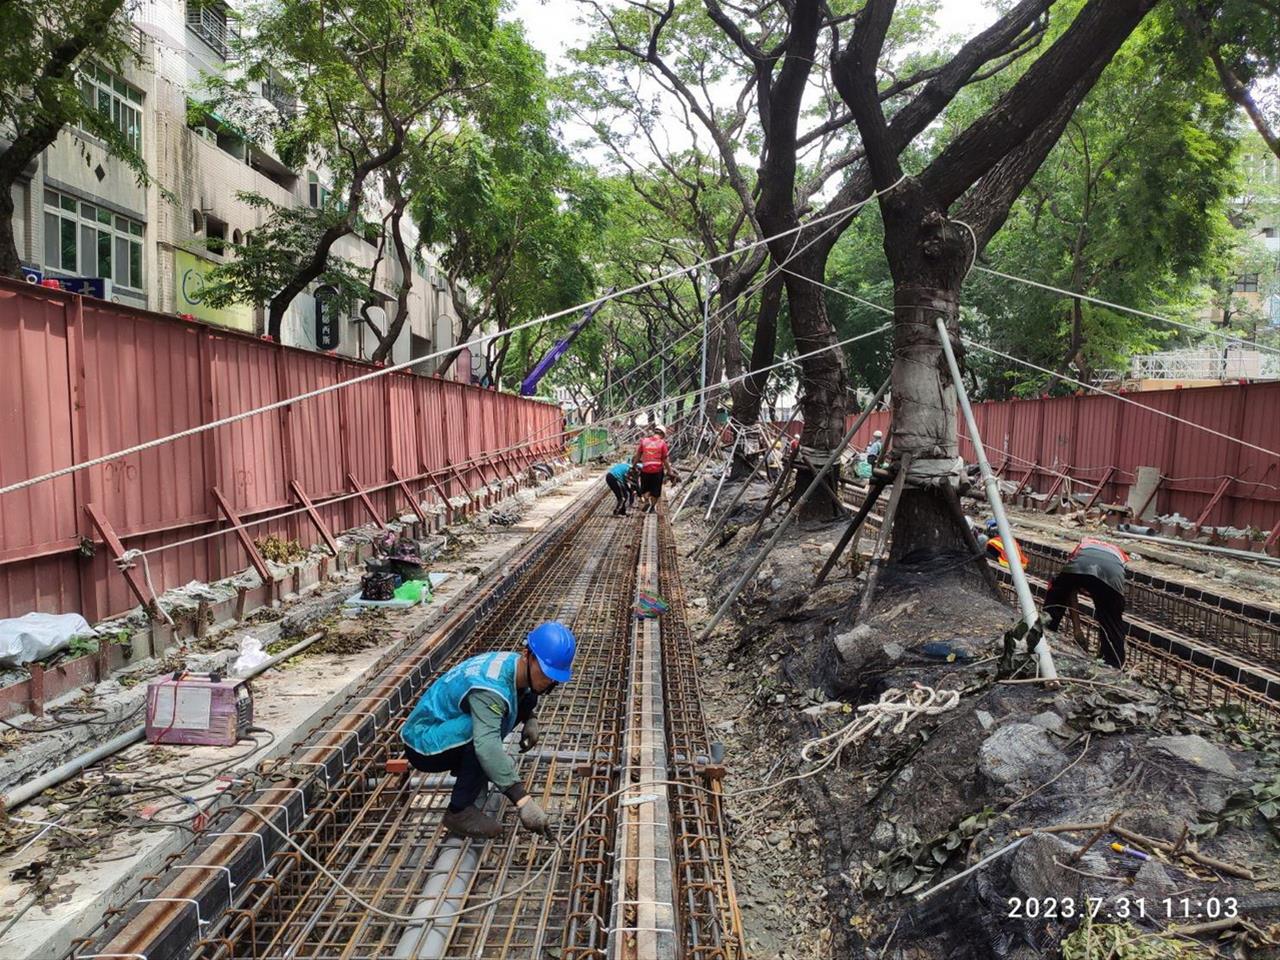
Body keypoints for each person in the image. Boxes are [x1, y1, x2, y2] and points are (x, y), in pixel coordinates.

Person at [400, 622, 577, 839]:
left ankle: (474, 772)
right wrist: (523, 801)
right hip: (423, 741)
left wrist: (530, 718)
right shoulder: (491, 689)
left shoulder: (514, 665)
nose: (549, 681)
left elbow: (525, 693)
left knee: (528, 695)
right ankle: (459, 810)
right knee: (481, 737)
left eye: (554, 677)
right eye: (546, 672)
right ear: (527, 655)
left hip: (447, 727)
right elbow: (487, 745)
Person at [1043, 537, 1129, 668]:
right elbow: (1117, 586)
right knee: (1112, 620)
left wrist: (1077, 630)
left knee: (1058, 594)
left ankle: (1044, 635)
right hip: (1112, 574)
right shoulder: (1119, 553)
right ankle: (1113, 663)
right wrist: (1077, 631)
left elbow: (1070, 591)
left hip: (1080, 566)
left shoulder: (1083, 545)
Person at [633, 424, 673, 513]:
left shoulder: (644, 441)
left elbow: (638, 455)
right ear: (662, 434)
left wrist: (633, 466)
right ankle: (652, 507)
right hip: (657, 470)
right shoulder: (662, 443)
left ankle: (647, 501)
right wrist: (669, 471)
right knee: (655, 490)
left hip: (645, 470)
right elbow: (664, 459)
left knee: (645, 489)